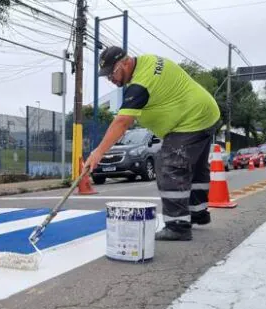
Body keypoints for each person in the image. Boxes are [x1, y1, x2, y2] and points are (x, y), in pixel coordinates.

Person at [85, 46, 221, 241]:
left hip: (191, 120)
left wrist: (98, 153)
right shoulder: (147, 61)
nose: (111, 79)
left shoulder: (140, 83)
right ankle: (198, 213)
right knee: (196, 167)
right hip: (206, 113)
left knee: (169, 166)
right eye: (107, 76)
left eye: (112, 73)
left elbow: (122, 122)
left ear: (125, 61)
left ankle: (178, 226)